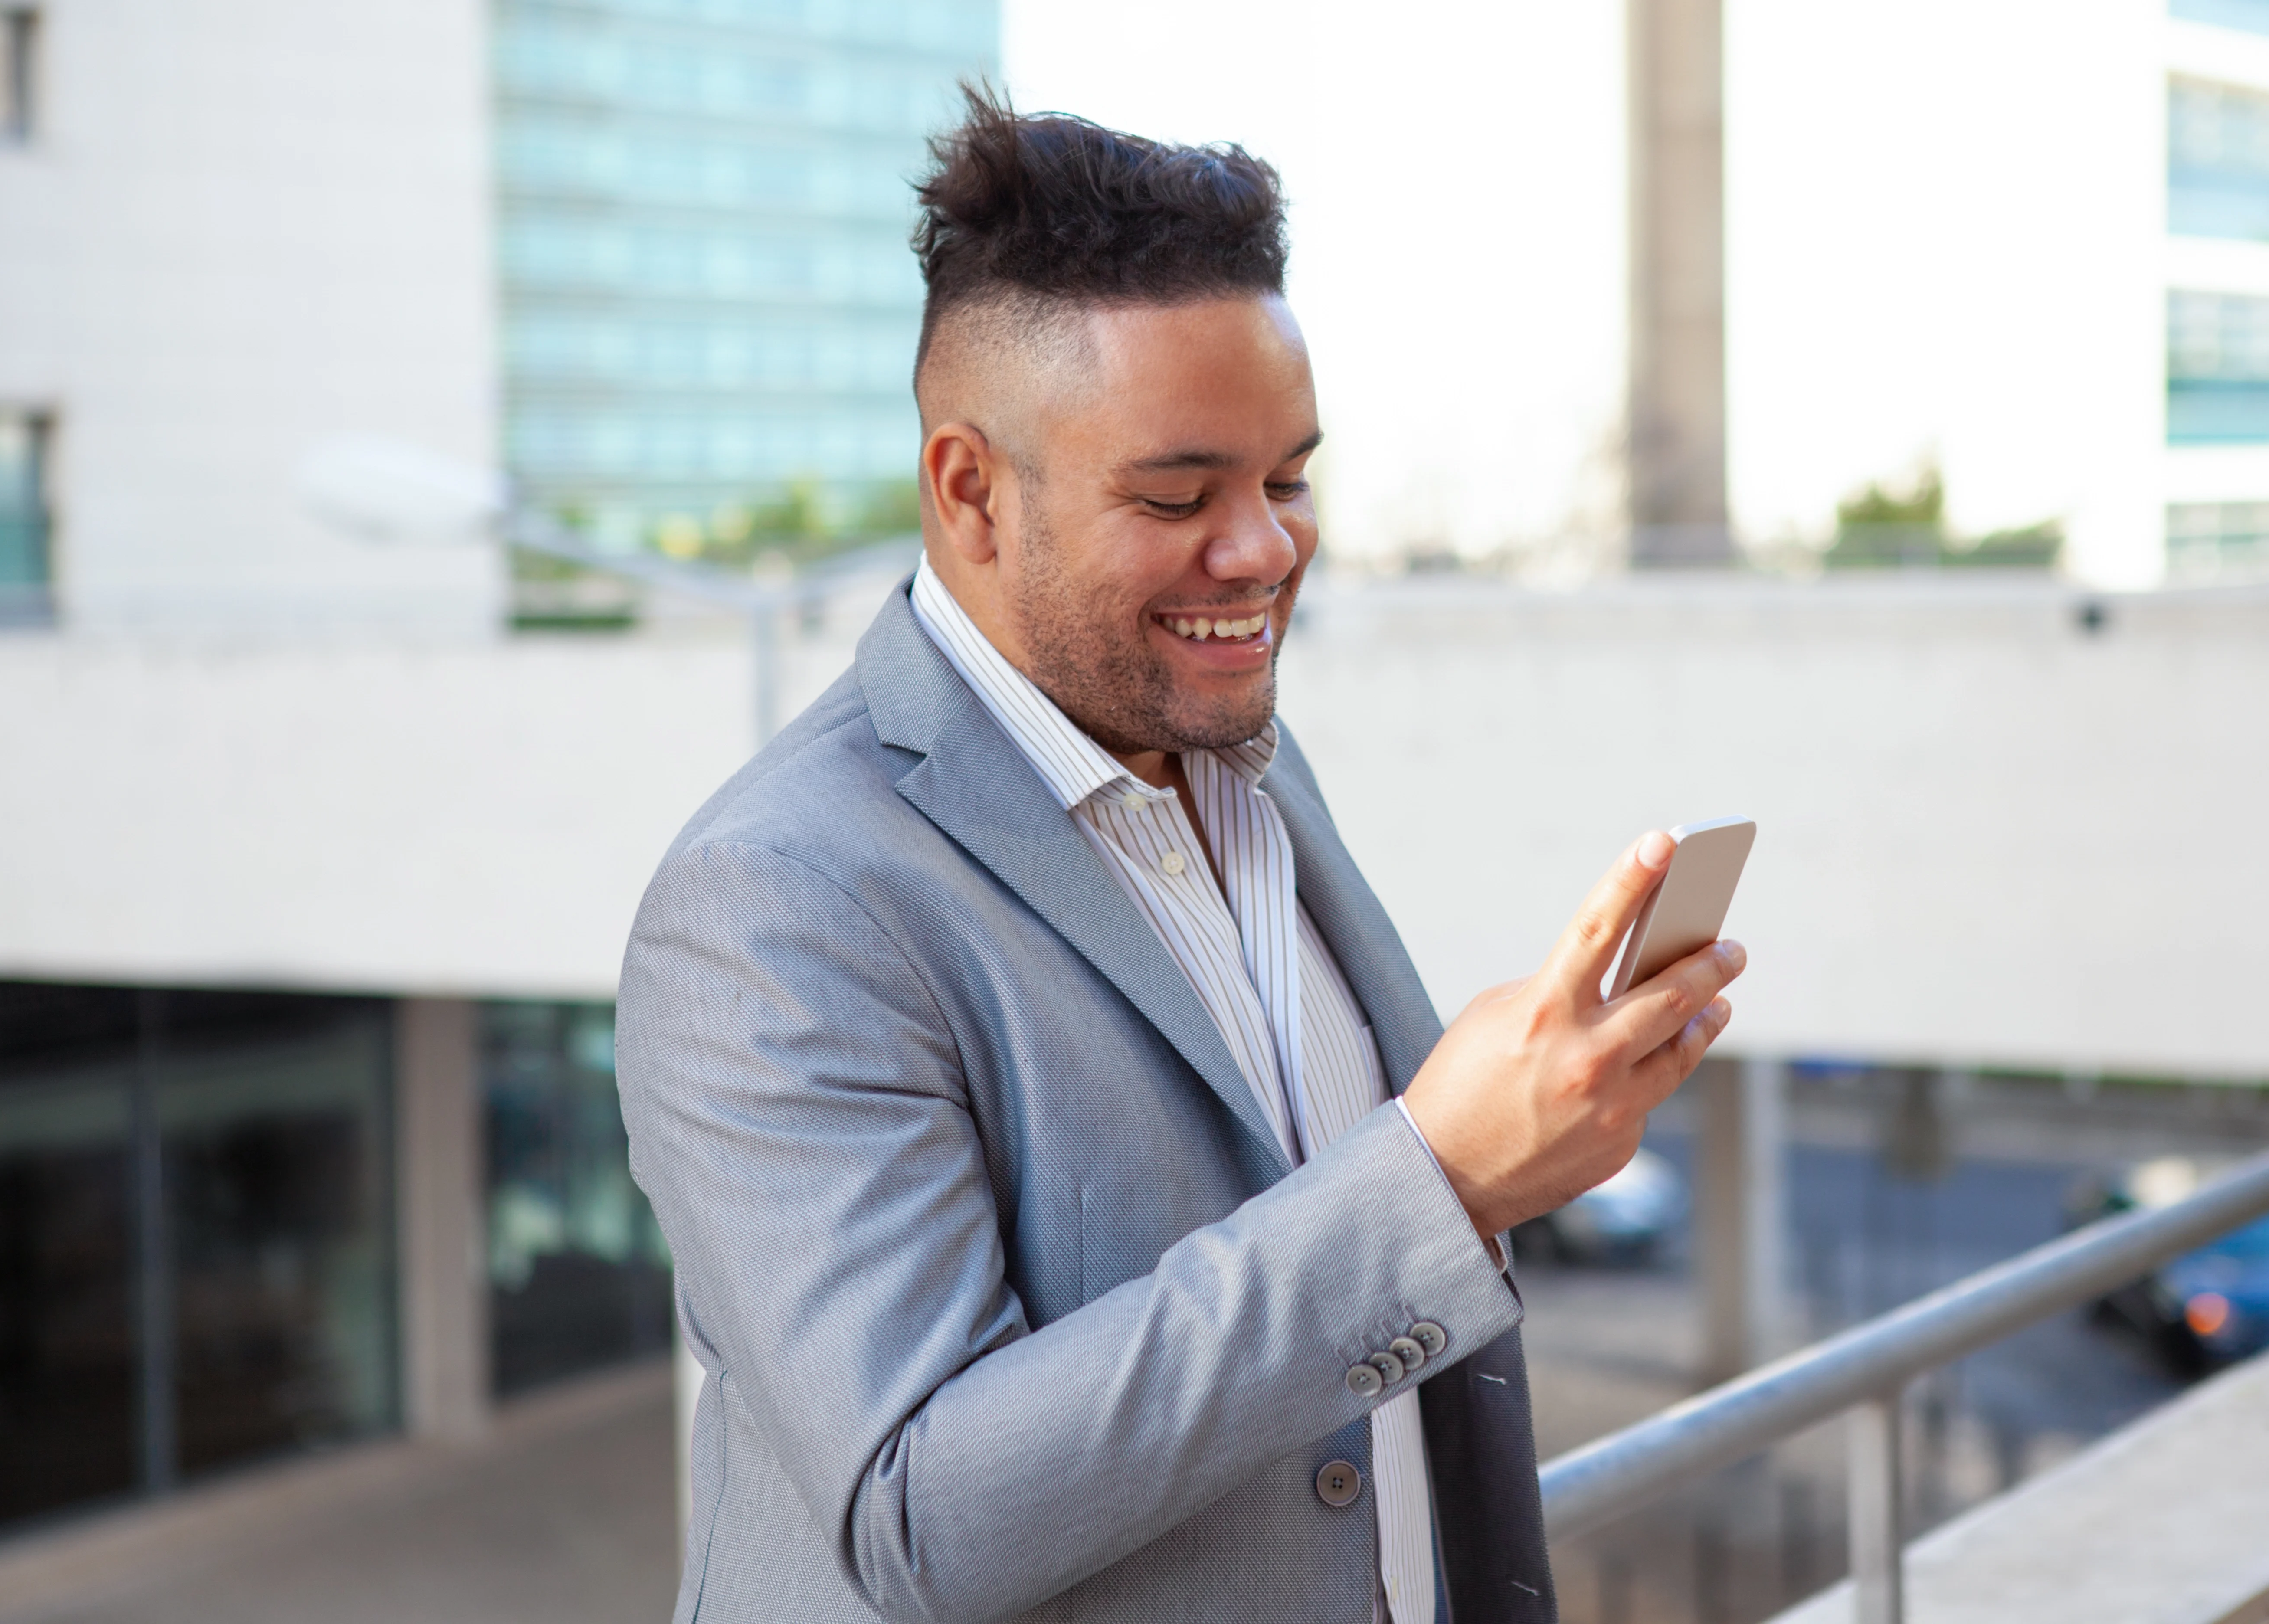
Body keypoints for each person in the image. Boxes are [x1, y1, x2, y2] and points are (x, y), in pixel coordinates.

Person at [616, 89, 1745, 1624]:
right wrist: (1439, 1178)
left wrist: (1527, 1126)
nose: (1267, 550)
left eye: (1287, 480)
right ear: (969, 492)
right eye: (1179, 493)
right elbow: (919, 1515)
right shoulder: (774, 903)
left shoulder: (1244, 764)